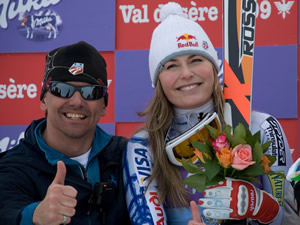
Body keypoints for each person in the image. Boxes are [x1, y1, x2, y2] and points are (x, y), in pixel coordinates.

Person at [123, 2, 297, 225]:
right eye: (171, 66)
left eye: (196, 60)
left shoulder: (263, 128)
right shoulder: (143, 145)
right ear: (158, 80)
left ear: (214, 68)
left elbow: (288, 219)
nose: (186, 73)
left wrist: (262, 207)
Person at [0, 41, 131, 225]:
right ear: (44, 100)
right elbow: (7, 211)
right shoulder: (13, 167)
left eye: (91, 92)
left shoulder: (129, 157)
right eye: (63, 89)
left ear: (103, 105)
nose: (77, 101)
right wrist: (35, 215)